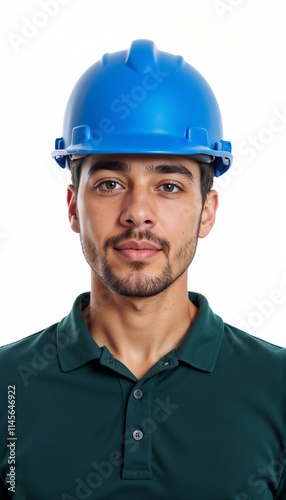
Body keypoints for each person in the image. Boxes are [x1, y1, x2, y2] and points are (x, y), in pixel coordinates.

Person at [0, 39, 285, 500]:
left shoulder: (278, 388)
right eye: (110, 183)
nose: (138, 212)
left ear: (207, 211)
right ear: (73, 207)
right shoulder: (7, 388)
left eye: (169, 185)